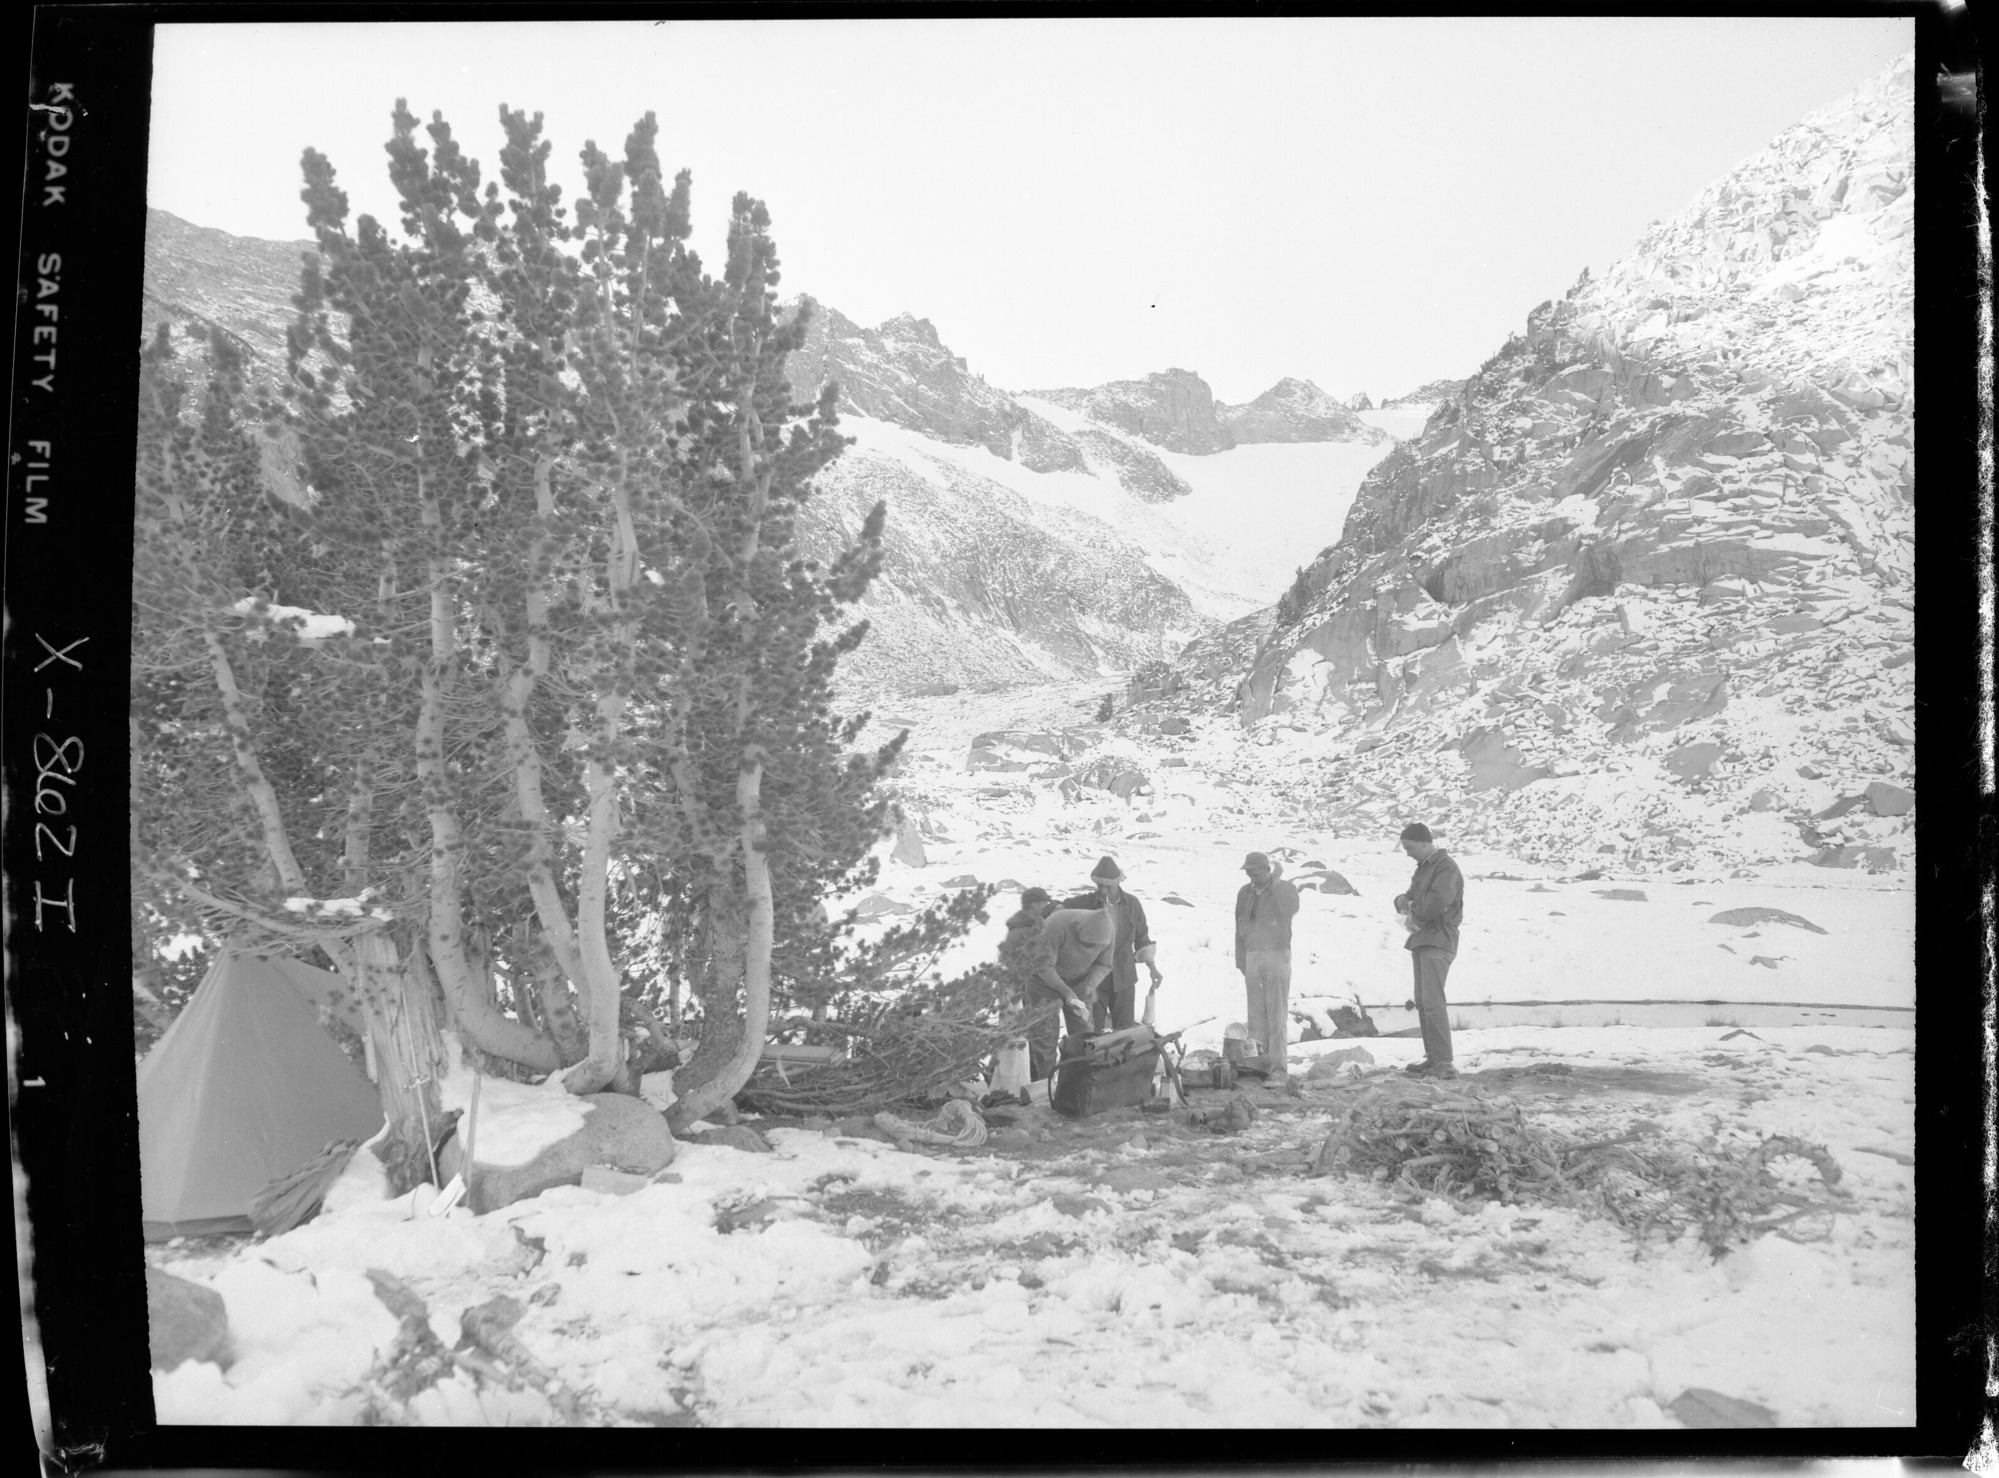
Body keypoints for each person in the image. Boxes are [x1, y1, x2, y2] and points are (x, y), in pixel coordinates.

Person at [1392, 823, 1464, 1080]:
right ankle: (1433, 1058)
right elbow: (1410, 897)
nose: (1408, 853)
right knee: (1423, 1002)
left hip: (1438, 938)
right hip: (1423, 938)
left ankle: (1444, 1062)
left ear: (1424, 843)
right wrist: (1401, 900)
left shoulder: (1446, 867)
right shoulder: (1423, 869)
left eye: (1410, 848)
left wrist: (1415, 912)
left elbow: (1438, 901)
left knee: (1433, 1002)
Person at [1061, 856, 1162, 1030]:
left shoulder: (1132, 905)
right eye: (1100, 886)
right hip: (1094, 980)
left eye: (1108, 886)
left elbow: (1142, 937)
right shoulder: (1085, 903)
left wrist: (1152, 967)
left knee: (1125, 1032)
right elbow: (1059, 910)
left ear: (1118, 883)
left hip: (1124, 978)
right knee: (1093, 1033)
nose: (1104, 891)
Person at [1234, 851, 1301, 1083]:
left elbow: (1289, 909)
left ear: (1266, 869)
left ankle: (1279, 1069)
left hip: (1276, 955)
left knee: (1276, 1015)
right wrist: (1241, 959)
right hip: (1253, 956)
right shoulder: (1244, 892)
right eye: (1248, 872)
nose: (1251, 876)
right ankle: (1258, 1067)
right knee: (1256, 1017)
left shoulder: (1284, 889)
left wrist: (1278, 883)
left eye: (1254, 872)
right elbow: (1239, 925)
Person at [1028, 901, 1115, 1070]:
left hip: (1080, 982)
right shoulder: (1055, 925)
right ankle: (1044, 1083)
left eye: (1097, 946)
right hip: (1043, 983)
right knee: (1045, 1036)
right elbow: (1044, 966)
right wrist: (1066, 992)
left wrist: (1090, 985)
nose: (1092, 949)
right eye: (1088, 944)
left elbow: (1104, 965)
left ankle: (1079, 1080)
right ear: (1079, 931)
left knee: (1084, 1036)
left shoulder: (1109, 931)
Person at [999, 887, 1062, 1079]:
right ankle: (1043, 1084)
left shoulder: (1021, 926)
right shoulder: (1029, 928)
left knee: (1031, 1038)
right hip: (1031, 990)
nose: (1046, 905)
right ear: (1035, 904)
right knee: (1044, 1035)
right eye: (1044, 902)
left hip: (1021, 990)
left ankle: (1032, 1079)